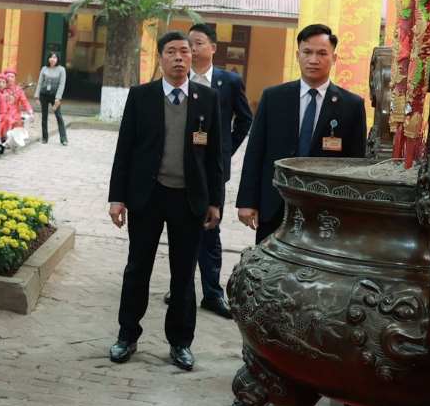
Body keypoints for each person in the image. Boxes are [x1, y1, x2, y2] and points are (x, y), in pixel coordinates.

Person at [106, 31, 223, 371]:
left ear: (193, 57)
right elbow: (124, 150)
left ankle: (180, 342)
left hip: (189, 199)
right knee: (137, 268)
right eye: (171, 52)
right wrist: (117, 198)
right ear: (160, 58)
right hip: (148, 195)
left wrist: (215, 201)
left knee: (183, 275)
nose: (178, 58)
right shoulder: (141, 96)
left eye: (184, 52)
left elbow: (215, 155)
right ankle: (127, 335)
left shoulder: (207, 98)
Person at [237, 23, 368, 242]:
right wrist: (247, 201)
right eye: (307, 52)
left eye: (322, 53)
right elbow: (255, 152)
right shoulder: (273, 97)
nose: (313, 59)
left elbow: (355, 165)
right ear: (297, 55)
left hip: (325, 211)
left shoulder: (351, 105)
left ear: (334, 59)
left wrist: (349, 212)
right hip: (274, 203)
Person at [175, 23, 253, 319]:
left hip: (212, 172)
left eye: (197, 43)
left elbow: (244, 120)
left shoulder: (228, 82)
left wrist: (224, 151)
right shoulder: (178, 79)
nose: (191, 49)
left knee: (210, 229)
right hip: (180, 167)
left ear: (213, 48)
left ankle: (212, 293)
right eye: (188, 44)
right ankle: (179, 287)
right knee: (181, 228)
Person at [37, 52, 68, 145]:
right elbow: (39, 83)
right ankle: (44, 138)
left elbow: (62, 84)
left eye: (55, 57)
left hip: (55, 96)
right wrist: (36, 96)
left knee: (58, 116)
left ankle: (64, 139)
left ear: (58, 59)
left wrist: (58, 98)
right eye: (51, 57)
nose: (52, 59)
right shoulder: (44, 68)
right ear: (48, 59)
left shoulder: (61, 70)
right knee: (44, 116)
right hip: (44, 95)